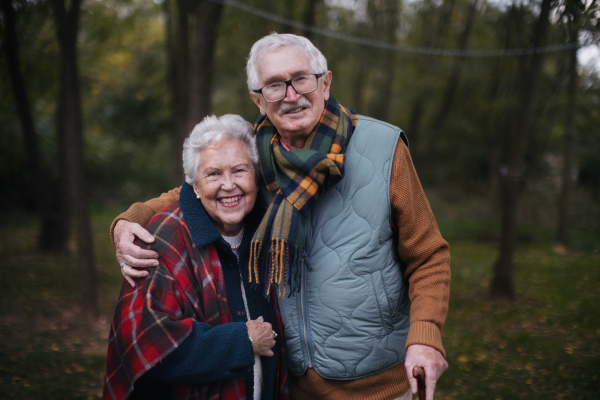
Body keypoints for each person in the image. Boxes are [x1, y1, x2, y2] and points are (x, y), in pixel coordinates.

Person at [111, 33, 450, 400]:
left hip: (378, 386)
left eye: (301, 78)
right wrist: (129, 220)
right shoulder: (258, 156)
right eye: (274, 85)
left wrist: (426, 337)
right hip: (293, 385)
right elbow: (197, 191)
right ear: (257, 99)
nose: (291, 95)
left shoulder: (383, 148)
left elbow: (428, 256)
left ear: (325, 81)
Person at [103, 114, 288, 400]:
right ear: (196, 187)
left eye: (240, 170)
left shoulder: (271, 229)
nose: (228, 185)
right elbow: (147, 344)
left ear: (256, 175)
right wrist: (242, 341)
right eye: (214, 174)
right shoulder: (165, 239)